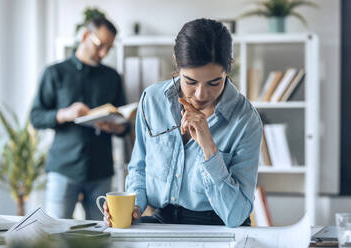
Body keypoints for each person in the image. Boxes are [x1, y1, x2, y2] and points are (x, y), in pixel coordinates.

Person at [103, 18, 262, 227]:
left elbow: (236, 215)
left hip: (218, 228)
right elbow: (139, 169)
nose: (201, 94)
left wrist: (209, 148)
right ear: (176, 61)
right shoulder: (151, 100)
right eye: (191, 81)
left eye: (214, 82)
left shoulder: (246, 120)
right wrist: (135, 206)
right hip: (162, 221)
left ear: (228, 67)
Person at [31, 17, 128, 220]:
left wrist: (117, 126)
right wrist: (64, 114)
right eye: (100, 45)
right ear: (85, 35)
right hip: (63, 168)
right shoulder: (54, 72)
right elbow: (36, 117)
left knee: (101, 235)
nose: (103, 53)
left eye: (108, 48)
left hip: (101, 169)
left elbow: (124, 123)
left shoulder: (113, 77)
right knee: (55, 234)